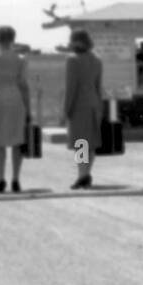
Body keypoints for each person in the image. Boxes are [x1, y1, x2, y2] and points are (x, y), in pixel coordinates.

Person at [0, 25, 32, 193]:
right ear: (13, 38)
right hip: (16, 98)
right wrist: (29, 108)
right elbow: (24, 85)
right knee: (17, 140)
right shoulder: (21, 58)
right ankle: (16, 179)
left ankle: (0, 178)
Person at [63, 27, 104, 190]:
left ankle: (82, 175)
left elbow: (71, 87)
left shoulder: (72, 60)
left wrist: (66, 109)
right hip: (94, 103)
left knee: (81, 143)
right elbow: (98, 86)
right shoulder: (97, 59)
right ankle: (86, 173)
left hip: (79, 105)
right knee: (91, 142)